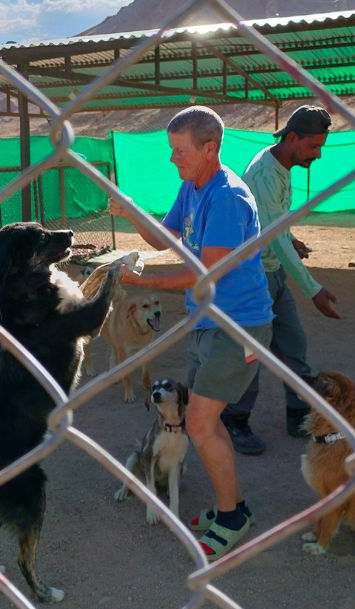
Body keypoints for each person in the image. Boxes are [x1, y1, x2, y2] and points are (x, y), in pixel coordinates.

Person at [108, 105, 273, 562]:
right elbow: (162, 239)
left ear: (209, 148)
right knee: (208, 421)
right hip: (207, 321)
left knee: (198, 423)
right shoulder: (192, 186)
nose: (172, 160)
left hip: (237, 324)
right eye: (171, 150)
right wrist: (129, 211)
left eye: (179, 151)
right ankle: (232, 507)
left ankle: (233, 517)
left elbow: (207, 270)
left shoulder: (227, 198)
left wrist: (144, 284)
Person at [219, 105, 343, 455]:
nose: (317, 155)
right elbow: (271, 234)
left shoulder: (282, 164)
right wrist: (313, 290)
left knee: (293, 345)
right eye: (312, 146)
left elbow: (273, 226)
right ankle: (235, 421)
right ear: (292, 138)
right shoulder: (263, 174)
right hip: (250, 279)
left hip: (271, 273)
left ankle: (297, 413)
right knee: (251, 354)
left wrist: (290, 239)